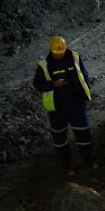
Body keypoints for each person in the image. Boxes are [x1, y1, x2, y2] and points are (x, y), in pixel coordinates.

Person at [33, 35, 94, 177]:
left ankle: (87, 160)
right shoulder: (44, 65)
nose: (59, 55)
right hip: (57, 108)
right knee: (60, 138)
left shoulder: (75, 57)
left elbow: (84, 75)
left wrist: (84, 92)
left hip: (76, 103)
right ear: (51, 50)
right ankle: (66, 165)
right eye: (56, 53)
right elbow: (38, 84)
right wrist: (54, 85)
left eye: (61, 52)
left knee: (83, 133)